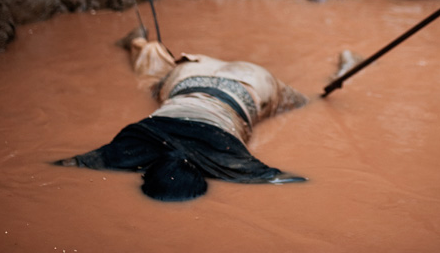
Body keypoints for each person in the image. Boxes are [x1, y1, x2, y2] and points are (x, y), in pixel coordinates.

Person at [55, 30, 309, 201]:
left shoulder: (230, 162)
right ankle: (141, 43)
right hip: (190, 74)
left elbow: (285, 180)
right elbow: (73, 164)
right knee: (151, 77)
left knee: (301, 103)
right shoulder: (131, 149)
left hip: (254, 83)